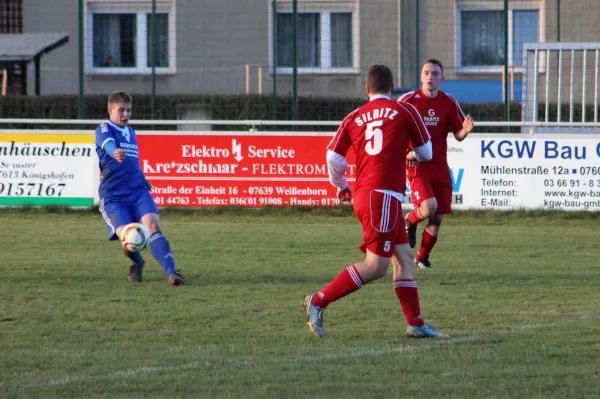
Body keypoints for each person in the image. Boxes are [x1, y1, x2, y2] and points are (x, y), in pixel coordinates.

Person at [302, 64, 445, 339]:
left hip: (366, 194)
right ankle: (318, 301)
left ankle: (415, 323)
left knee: (403, 257)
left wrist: (341, 185)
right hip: (382, 197)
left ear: (367, 89)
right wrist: (408, 151)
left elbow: (333, 157)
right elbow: (426, 152)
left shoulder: (354, 116)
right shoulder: (404, 110)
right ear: (392, 88)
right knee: (375, 266)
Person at [95, 91, 184, 286]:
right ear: (110, 109)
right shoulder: (104, 129)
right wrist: (114, 151)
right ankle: (137, 263)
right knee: (129, 240)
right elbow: (108, 144)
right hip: (114, 196)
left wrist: (142, 179)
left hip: (137, 191)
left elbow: (133, 162)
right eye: (121, 110)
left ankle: (172, 273)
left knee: (153, 227)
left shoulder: (132, 132)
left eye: (129, 110)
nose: (126, 115)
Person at [399, 59, 474, 269]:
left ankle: (422, 257)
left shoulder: (448, 102)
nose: (430, 77)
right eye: (426, 73)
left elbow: (458, 135)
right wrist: (407, 153)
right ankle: (410, 220)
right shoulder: (408, 101)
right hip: (416, 165)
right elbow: (394, 131)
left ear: (442, 77)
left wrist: (465, 131)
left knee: (438, 216)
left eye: (434, 73)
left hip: (440, 165)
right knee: (429, 207)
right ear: (421, 76)